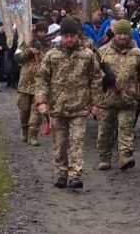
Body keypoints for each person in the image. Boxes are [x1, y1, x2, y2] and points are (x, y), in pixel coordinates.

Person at [34, 16, 105, 189]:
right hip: (57, 107)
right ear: (61, 36)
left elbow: (96, 79)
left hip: (79, 107)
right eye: (66, 36)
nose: (69, 39)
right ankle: (61, 173)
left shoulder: (87, 55)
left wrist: (96, 103)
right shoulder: (52, 55)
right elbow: (42, 78)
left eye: (72, 36)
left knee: (77, 142)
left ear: (77, 36)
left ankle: (75, 175)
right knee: (59, 143)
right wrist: (41, 101)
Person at [96, 19, 140, 171]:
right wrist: (104, 80)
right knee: (105, 130)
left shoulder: (137, 54)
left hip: (128, 99)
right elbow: (93, 75)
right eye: (119, 34)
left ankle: (125, 155)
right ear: (114, 35)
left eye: (125, 34)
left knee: (126, 129)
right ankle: (105, 157)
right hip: (107, 100)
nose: (122, 37)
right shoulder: (102, 52)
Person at [15, 22, 51, 145]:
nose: (43, 34)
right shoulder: (25, 42)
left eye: (45, 32)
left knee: (37, 111)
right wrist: (28, 51)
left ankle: (33, 135)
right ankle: (24, 129)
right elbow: (17, 57)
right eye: (41, 31)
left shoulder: (49, 45)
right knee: (23, 109)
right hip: (25, 82)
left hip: (39, 84)